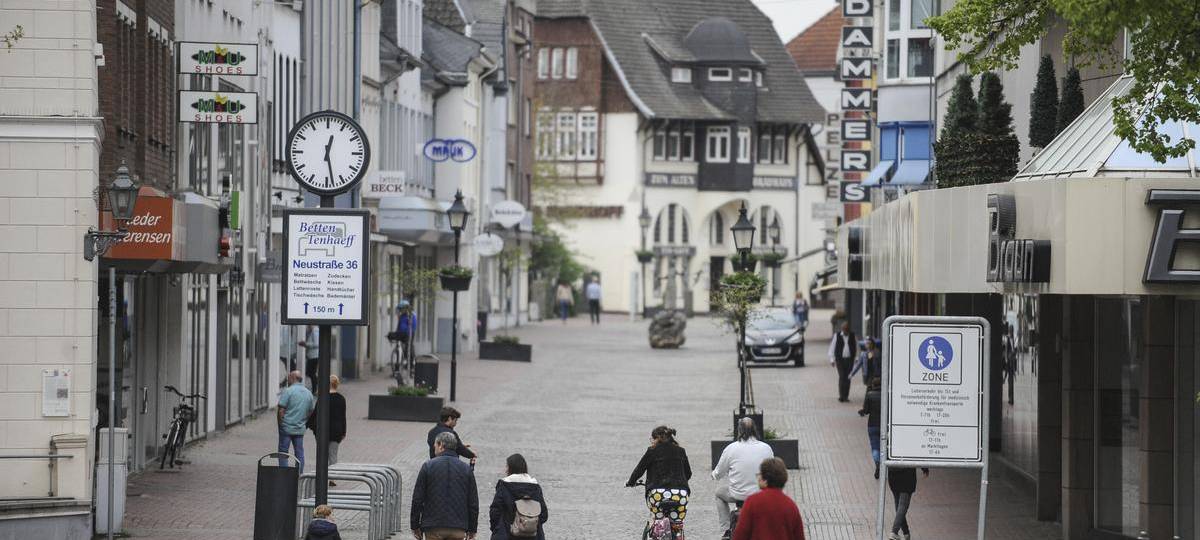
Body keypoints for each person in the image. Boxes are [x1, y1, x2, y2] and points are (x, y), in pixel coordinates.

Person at [712, 417, 775, 539]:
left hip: (737, 495)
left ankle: (726, 530)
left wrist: (714, 475)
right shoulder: (766, 448)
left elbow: (718, 473)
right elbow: (772, 471)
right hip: (759, 495)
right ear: (755, 430)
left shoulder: (731, 448)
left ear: (739, 430)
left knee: (719, 494)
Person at [626, 426, 693, 538]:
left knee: (658, 520)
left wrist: (631, 482)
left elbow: (639, 470)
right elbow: (688, 474)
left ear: (656, 439)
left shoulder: (652, 450)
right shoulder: (681, 451)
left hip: (657, 494)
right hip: (680, 495)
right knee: (677, 524)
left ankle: (657, 532)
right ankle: (677, 533)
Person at [411, 432, 479, 540]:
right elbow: (473, 502)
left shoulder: (428, 466)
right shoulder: (466, 469)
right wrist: (472, 529)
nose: (435, 449)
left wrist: (415, 526)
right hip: (458, 526)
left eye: (435, 446)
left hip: (433, 525)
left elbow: (417, 499)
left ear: (441, 445)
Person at [731, 458, 805, 540]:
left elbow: (740, 534)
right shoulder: (790, 505)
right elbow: (799, 536)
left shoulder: (752, 502)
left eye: (760, 474)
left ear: (765, 479)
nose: (758, 477)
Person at [488, 454, 548, 540]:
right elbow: (543, 515)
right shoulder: (535, 487)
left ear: (511, 468)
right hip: (533, 536)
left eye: (507, 466)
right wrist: (529, 525)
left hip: (506, 534)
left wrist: (497, 529)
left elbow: (495, 512)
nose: (505, 469)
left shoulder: (504, 485)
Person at [307, 374, 347, 484]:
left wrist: (309, 425)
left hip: (322, 431)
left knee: (322, 454)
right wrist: (344, 431)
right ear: (336, 384)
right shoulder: (341, 399)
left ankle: (322, 477)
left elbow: (315, 414)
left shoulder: (323, 398)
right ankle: (332, 477)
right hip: (336, 431)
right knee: (333, 455)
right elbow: (343, 416)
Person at [278, 371, 315, 469]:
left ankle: (283, 473)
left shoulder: (288, 391)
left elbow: (281, 410)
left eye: (289, 378)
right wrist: (304, 422)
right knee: (299, 452)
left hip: (286, 427)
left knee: (283, 452)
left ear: (294, 378)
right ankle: (299, 474)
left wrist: (281, 424)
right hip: (300, 428)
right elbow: (310, 412)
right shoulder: (308, 393)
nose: (288, 380)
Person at [887, 467, 929, 540]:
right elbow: (916, 455)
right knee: (902, 507)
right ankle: (894, 532)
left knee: (899, 507)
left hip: (893, 475)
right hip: (907, 476)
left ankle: (906, 533)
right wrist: (925, 469)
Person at [858, 377, 882, 477]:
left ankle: (877, 463)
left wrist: (861, 412)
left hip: (872, 425)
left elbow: (866, 410)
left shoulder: (869, 395)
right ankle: (884, 462)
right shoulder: (887, 395)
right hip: (885, 425)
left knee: (875, 446)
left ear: (873, 385)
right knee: (885, 446)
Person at [827, 322, 858, 402]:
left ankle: (846, 396)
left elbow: (856, 347)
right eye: (844, 329)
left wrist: (856, 358)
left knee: (848, 377)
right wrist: (832, 359)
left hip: (850, 359)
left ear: (849, 329)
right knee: (842, 376)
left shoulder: (853, 335)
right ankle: (841, 396)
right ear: (842, 329)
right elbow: (832, 348)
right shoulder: (837, 336)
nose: (846, 331)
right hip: (839, 360)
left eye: (847, 330)